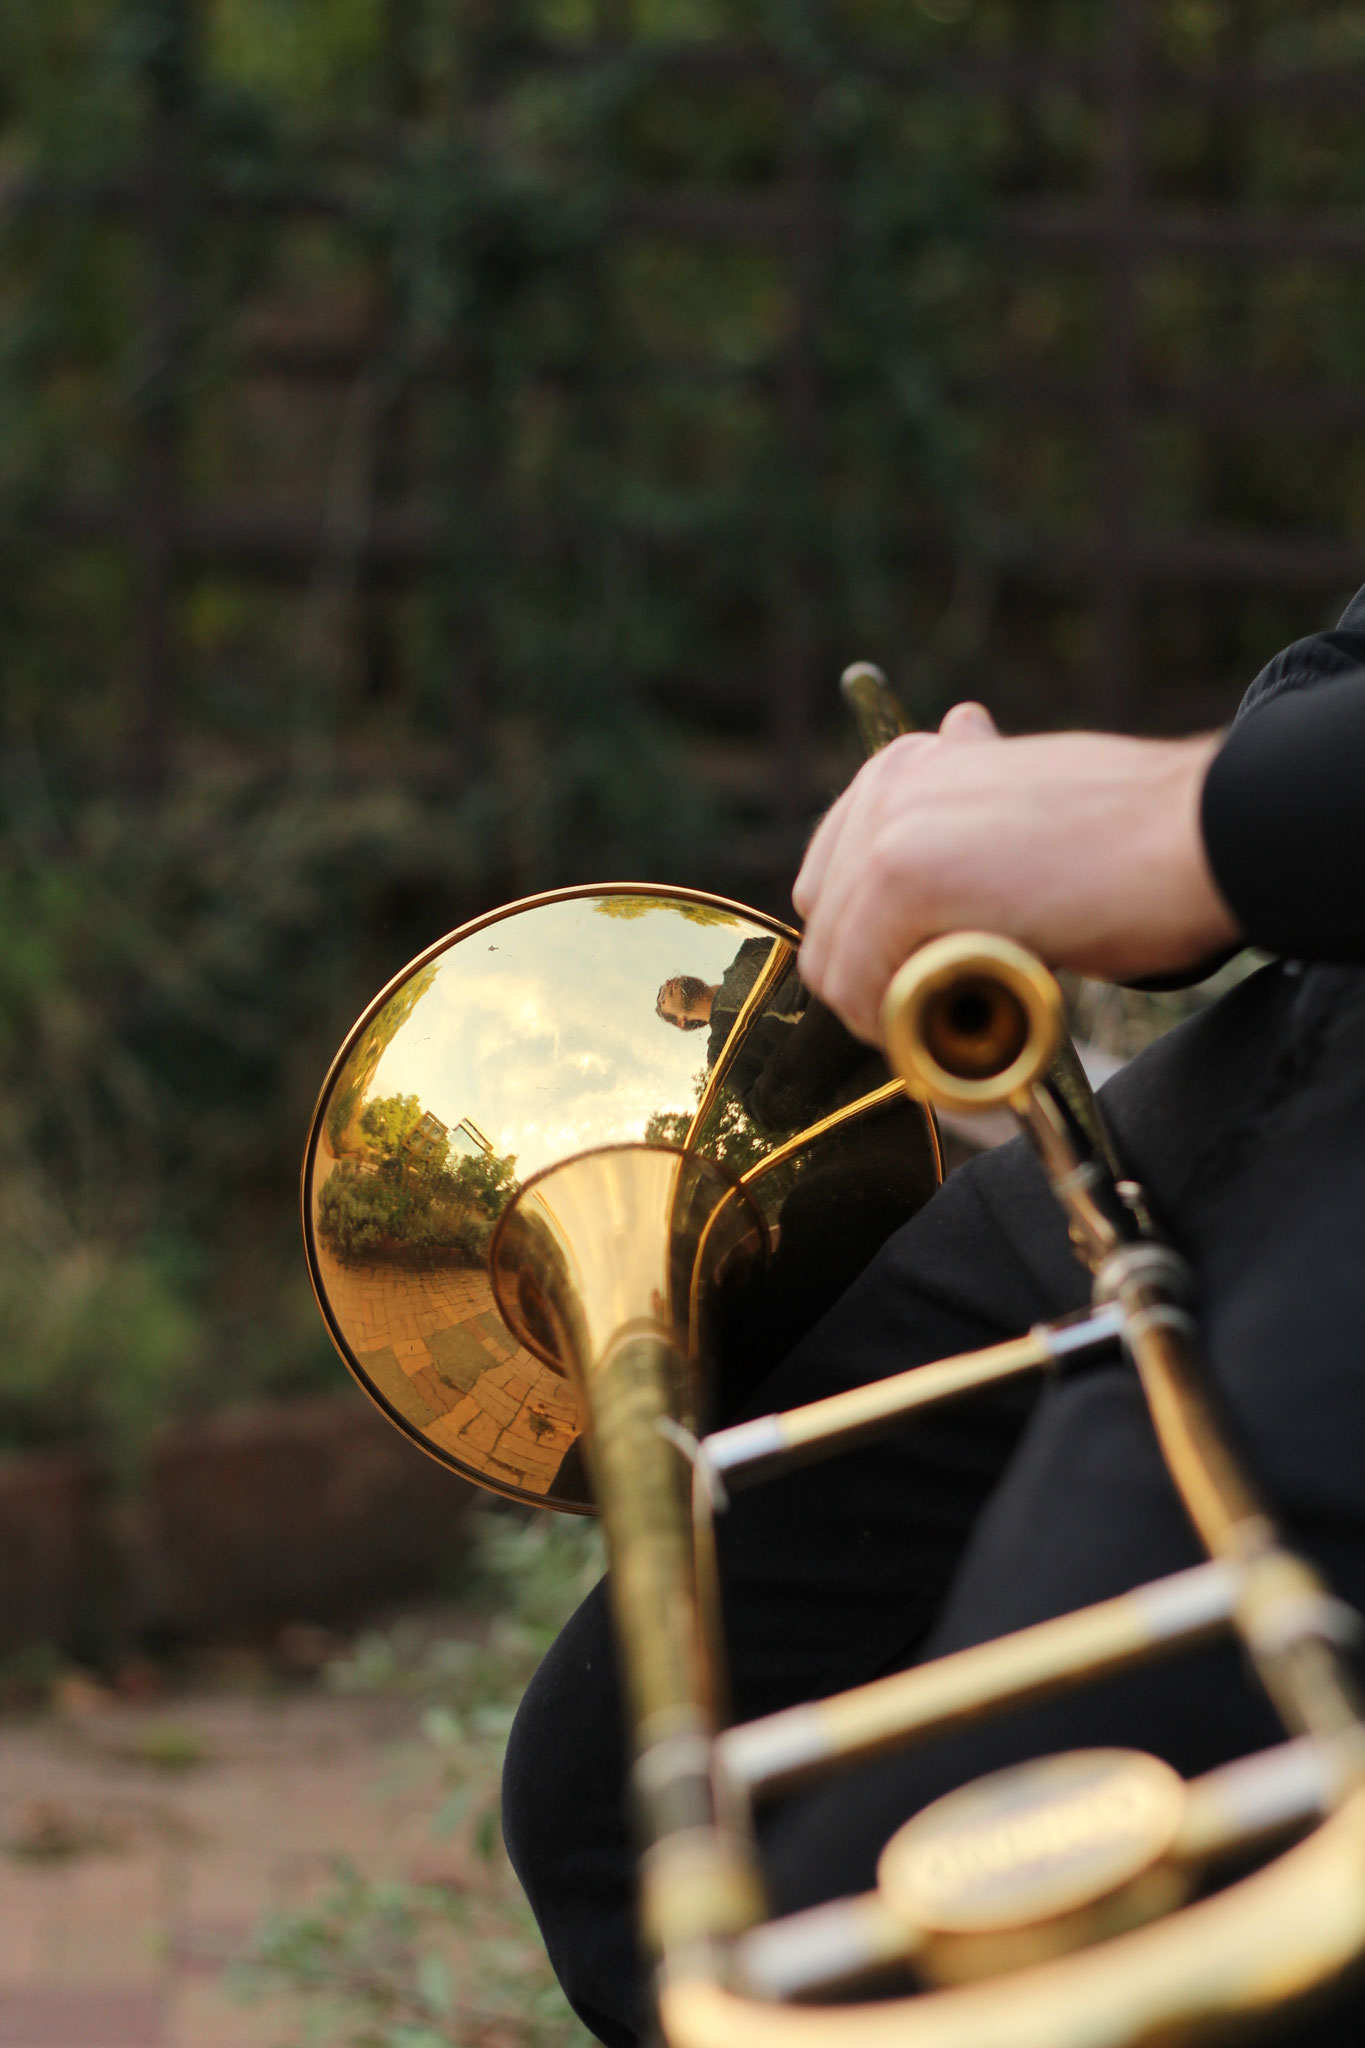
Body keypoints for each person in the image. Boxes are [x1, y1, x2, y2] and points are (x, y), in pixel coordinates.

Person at [502, 588, 1365, 2048]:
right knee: (614, 1800)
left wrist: (1195, 825)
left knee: (930, 1964)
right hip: (1302, 1036)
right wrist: (1180, 841)